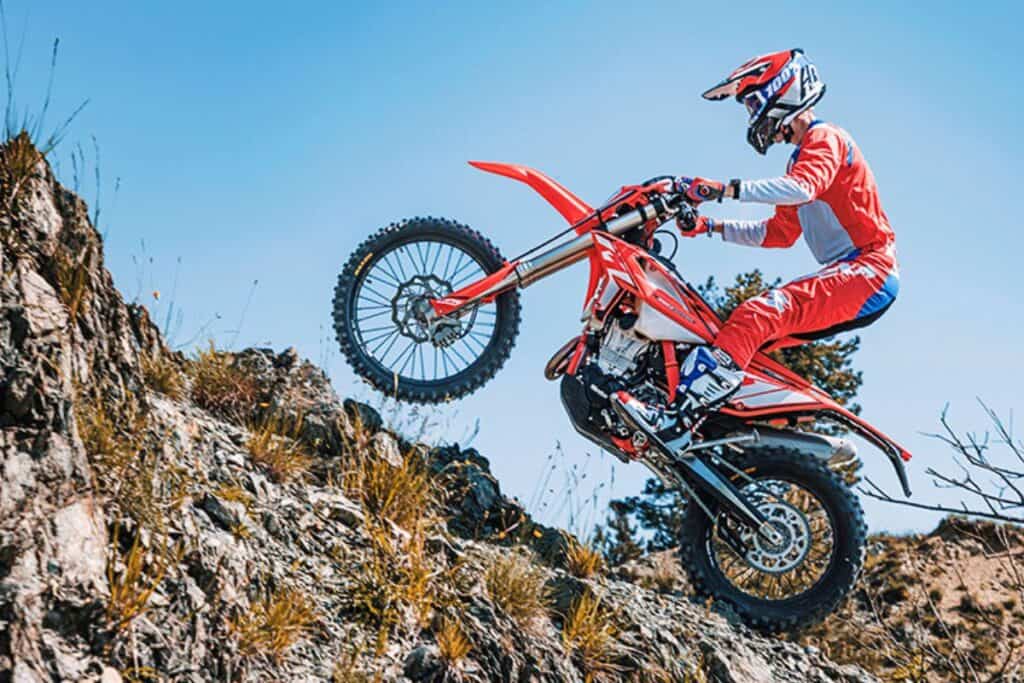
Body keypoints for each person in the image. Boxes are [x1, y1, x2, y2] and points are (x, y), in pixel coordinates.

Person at [626, 48, 899, 432]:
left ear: (783, 90)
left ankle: (674, 419)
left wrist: (721, 190)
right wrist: (708, 226)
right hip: (854, 273)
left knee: (758, 315)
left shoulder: (826, 138)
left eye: (753, 101)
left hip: (868, 270)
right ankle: (723, 431)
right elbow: (778, 234)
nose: (753, 113)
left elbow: (801, 188)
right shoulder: (797, 162)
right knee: (735, 340)